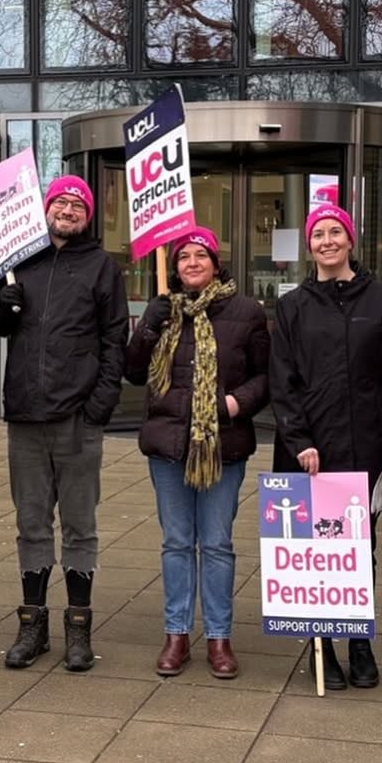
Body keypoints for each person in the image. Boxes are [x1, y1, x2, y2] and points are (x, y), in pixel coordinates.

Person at [0, 175, 127, 672]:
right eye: (60, 202)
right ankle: (33, 625)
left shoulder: (101, 268)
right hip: (25, 413)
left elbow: (115, 341)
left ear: (87, 216)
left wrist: (99, 406)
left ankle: (79, 627)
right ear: (46, 209)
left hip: (78, 418)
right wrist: (0, 309)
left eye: (76, 204)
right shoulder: (19, 261)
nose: (67, 209)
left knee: (80, 526)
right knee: (30, 523)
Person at [269, 200, 382, 691]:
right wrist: (298, 439)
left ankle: (358, 640)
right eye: (318, 234)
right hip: (310, 452)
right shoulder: (291, 307)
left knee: (360, 548)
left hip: (368, 447)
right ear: (309, 246)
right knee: (318, 551)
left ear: (351, 240)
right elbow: (282, 382)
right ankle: (322, 646)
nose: (327, 241)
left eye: (335, 232)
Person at [125, 227, 269, 678]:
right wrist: (149, 324)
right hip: (167, 446)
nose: (191, 263)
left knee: (218, 544)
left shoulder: (247, 312)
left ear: (215, 262)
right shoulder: (164, 311)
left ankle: (220, 638)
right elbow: (132, 371)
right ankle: (177, 635)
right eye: (183, 256)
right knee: (176, 543)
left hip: (221, 446)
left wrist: (235, 403)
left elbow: (266, 377)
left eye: (199, 255)